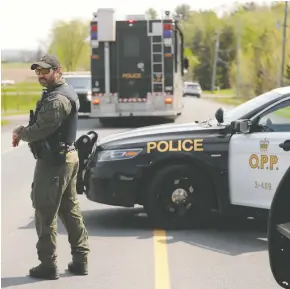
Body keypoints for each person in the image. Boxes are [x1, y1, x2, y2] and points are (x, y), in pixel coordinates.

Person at [12, 54, 90, 280]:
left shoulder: (57, 99)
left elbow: (41, 129)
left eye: (45, 71)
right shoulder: (62, 91)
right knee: (70, 209)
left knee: (45, 211)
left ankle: (48, 264)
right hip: (66, 157)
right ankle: (80, 260)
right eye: (38, 72)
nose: (41, 76)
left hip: (55, 163)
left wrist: (21, 132)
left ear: (58, 70)